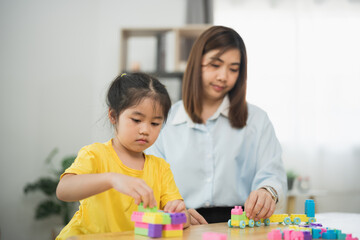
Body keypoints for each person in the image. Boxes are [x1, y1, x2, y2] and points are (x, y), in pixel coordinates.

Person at [146, 26, 287, 224]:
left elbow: (273, 174)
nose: (223, 76)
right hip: (182, 224)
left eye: (233, 69)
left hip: (242, 225)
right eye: (215, 65)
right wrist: (175, 212)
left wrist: (267, 191)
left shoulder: (257, 119)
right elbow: (151, 183)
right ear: (197, 64)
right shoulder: (164, 121)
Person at [56, 73, 190, 240]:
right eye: (136, 120)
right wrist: (111, 179)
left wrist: (179, 213)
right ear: (113, 116)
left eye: (155, 123)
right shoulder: (95, 154)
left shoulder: (160, 168)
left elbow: (182, 218)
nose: (145, 130)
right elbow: (63, 190)